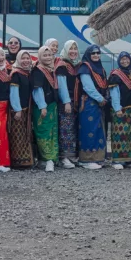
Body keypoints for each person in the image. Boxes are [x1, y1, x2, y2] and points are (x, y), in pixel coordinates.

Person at [77, 45, 109, 169]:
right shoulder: (85, 67)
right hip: (89, 103)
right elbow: (88, 87)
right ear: (88, 55)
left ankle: (99, 158)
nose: (96, 55)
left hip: (99, 103)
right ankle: (86, 160)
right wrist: (101, 99)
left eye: (98, 53)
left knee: (98, 129)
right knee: (89, 129)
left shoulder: (101, 68)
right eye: (93, 53)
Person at [108, 51, 131, 168]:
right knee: (119, 134)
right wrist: (117, 108)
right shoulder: (115, 75)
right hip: (120, 109)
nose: (125, 61)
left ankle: (128, 159)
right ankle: (117, 160)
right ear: (119, 61)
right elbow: (114, 93)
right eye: (122, 59)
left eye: (127, 59)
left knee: (130, 136)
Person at [32, 45, 60, 172]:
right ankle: (48, 159)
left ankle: (49, 159)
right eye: (45, 55)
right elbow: (37, 90)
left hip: (52, 106)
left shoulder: (52, 69)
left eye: (50, 55)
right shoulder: (38, 71)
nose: (48, 57)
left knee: (52, 133)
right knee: (43, 132)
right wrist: (42, 106)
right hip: (42, 107)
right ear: (40, 57)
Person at [54, 40, 81, 169]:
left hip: (74, 101)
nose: (73, 51)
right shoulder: (62, 65)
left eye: (75, 49)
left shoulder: (75, 65)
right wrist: (66, 102)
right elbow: (62, 85)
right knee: (66, 129)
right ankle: (64, 157)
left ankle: (70, 156)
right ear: (65, 50)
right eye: (71, 49)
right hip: (66, 102)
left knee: (72, 129)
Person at [8, 50, 36, 169]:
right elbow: (13, 94)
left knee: (26, 134)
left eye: (27, 58)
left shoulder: (27, 73)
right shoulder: (16, 74)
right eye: (23, 58)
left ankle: (27, 160)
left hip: (27, 109)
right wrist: (17, 109)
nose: (25, 61)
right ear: (18, 60)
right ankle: (18, 161)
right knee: (17, 135)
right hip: (18, 110)